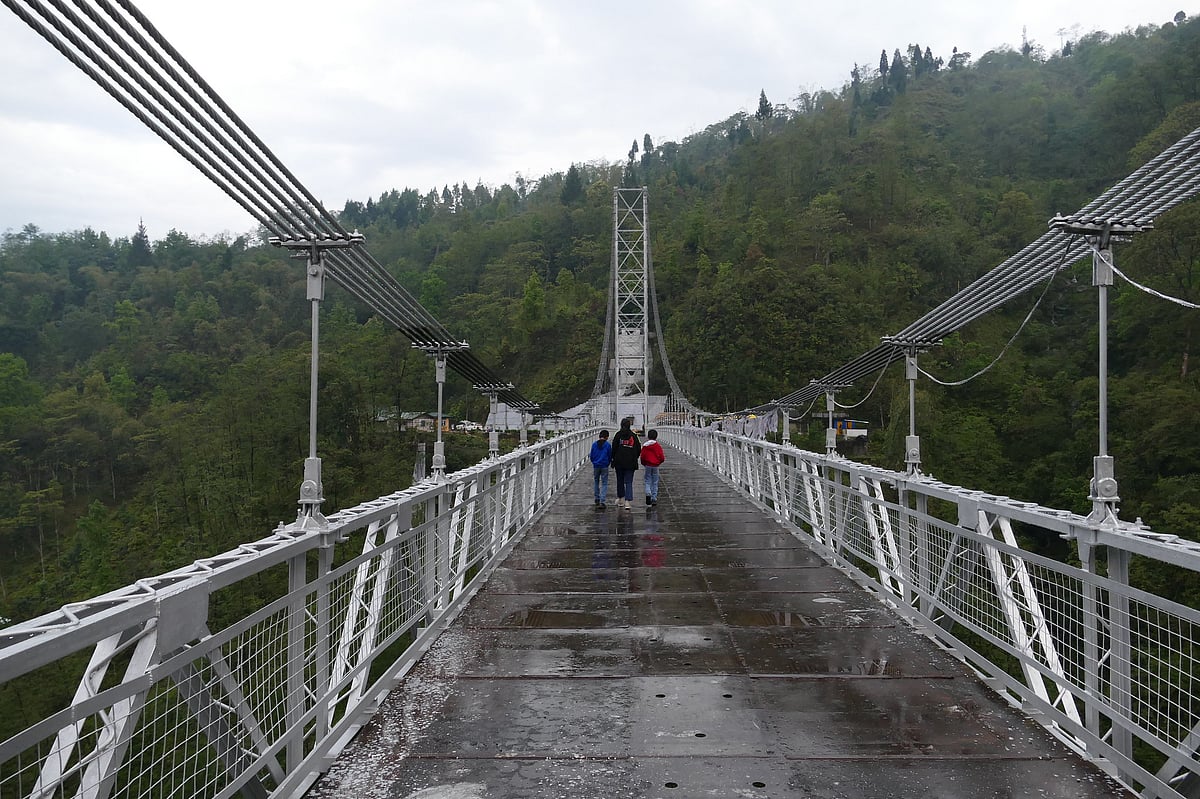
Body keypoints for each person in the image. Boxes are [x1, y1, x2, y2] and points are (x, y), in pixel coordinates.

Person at [610, 417, 641, 510]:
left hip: (619, 462)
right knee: (628, 481)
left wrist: (613, 459)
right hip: (630, 462)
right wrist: (634, 457)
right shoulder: (633, 436)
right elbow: (639, 449)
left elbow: (614, 448)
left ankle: (620, 499)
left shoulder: (618, 435)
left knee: (620, 481)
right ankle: (628, 502)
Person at [640, 429, 665, 506]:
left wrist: (644, 463)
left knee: (647, 480)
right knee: (655, 482)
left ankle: (648, 493)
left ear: (648, 436)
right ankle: (654, 498)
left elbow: (642, 456)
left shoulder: (645, 446)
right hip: (655, 466)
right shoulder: (657, 446)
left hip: (647, 465)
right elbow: (662, 457)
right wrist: (658, 462)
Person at [589, 429, 612, 508]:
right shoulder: (608, 445)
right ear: (606, 437)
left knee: (596, 481)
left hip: (596, 465)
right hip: (604, 465)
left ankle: (597, 498)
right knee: (604, 483)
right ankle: (602, 500)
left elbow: (591, 456)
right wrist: (608, 463)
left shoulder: (594, 444)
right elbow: (609, 456)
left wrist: (594, 462)